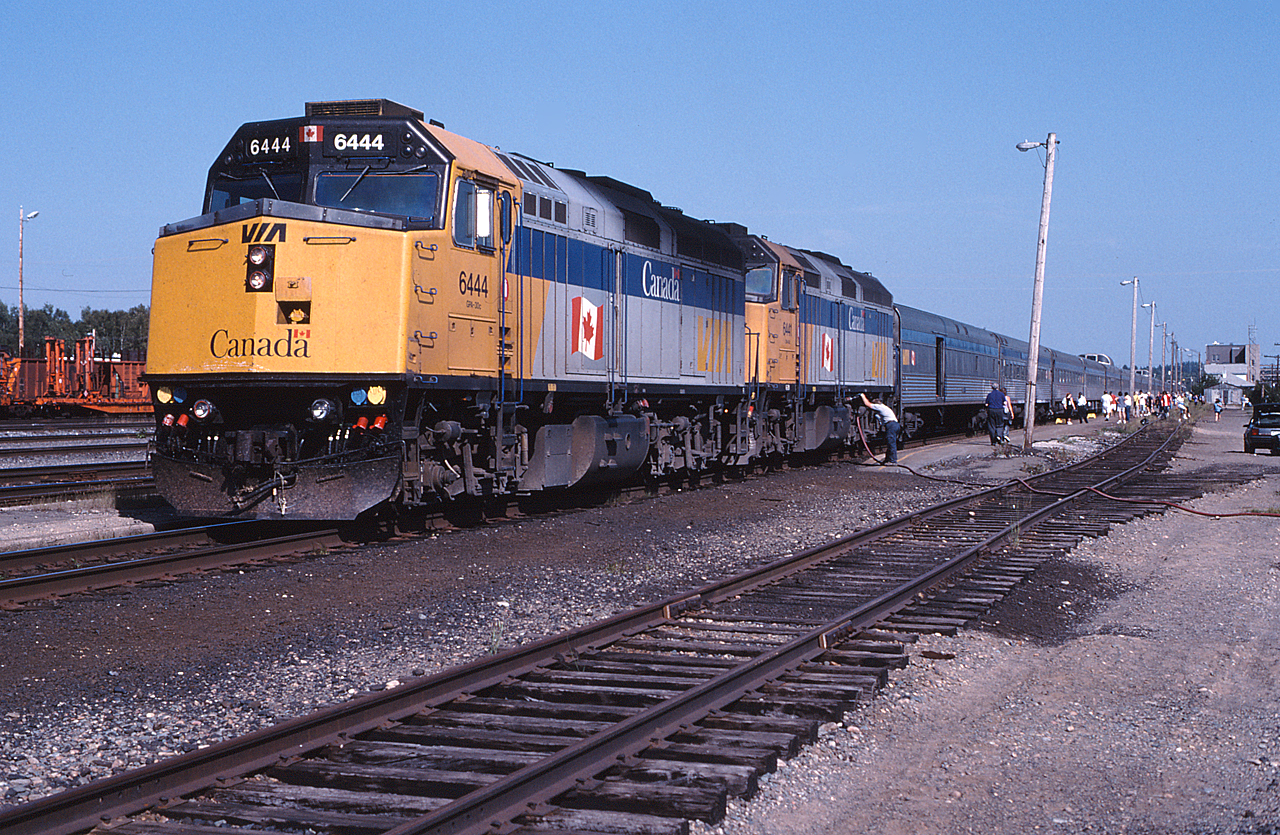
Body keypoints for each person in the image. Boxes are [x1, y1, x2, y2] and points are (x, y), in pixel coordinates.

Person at [859, 392, 900, 465]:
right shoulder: (884, 407)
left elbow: (867, 404)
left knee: (891, 443)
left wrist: (862, 395)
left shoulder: (879, 407)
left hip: (891, 425)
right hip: (894, 425)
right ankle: (888, 460)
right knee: (890, 442)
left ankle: (893, 461)